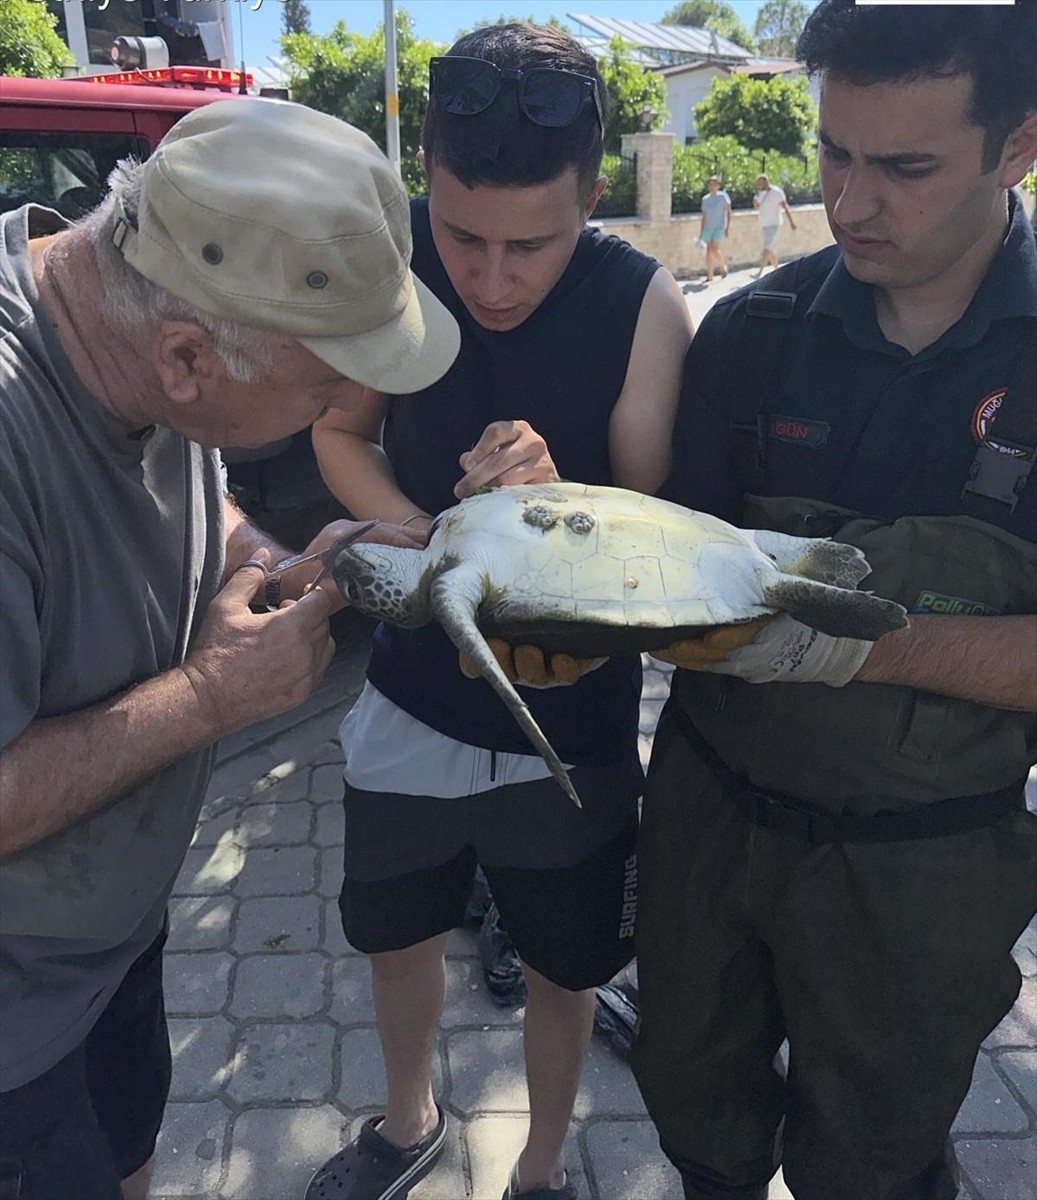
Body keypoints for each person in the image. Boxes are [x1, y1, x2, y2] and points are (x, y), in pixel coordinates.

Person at [0, 99, 459, 1200]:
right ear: (190, 355)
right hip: (15, 1021)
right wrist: (210, 699)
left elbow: (193, 482)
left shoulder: (109, 309)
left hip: (105, 942)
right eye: (322, 388)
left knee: (128, 1160)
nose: (346, 410)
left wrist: (284, 555)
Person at [630, 2, 1037, 1198]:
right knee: (698, 1124)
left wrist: (862, 649)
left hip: (923, 867)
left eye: (902, 167)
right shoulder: (751, 332)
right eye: (832, 155)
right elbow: (667, 565)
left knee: (875, 1160)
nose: (848, 205)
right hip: (708, 824)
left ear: (1015, 145)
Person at [308, 22, 693, 1200]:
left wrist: (553, 506)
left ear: (593, 196)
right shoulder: (400, 266)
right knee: (394, 932)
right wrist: (425, 538)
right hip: (412, 694)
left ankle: (535, 1168)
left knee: (563, 964)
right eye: (460, 233)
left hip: (565, 730)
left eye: (531, 243)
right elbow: (338, 432)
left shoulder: (642, 306)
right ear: (425, 182)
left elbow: (652, 536)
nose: (486, 277)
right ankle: (408, 1117)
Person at [752, 172, 797, 276]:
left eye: (760, 183)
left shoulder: (776, 192)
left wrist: (791, 222)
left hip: (774, 223)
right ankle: (777, 268)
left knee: (766, 249)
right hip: (764, 223)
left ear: (766, 181)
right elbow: (757, 206)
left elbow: (785, 207)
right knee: (769, 249)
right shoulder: (760, 194)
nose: (759, 185)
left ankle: (759, 272)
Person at [699, 175, 731, 282]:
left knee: (714, 248)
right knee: (709, 250)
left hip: (719, 226)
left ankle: (723, 266)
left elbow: (729, 212)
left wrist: (727, 227)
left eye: (714, 184)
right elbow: (704, 216)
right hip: (708, 227)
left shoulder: (722, 197)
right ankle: (710, 275)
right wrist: (701, 230)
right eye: (710, 184)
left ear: (718, 185)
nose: (712, 186)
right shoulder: (705, 199)